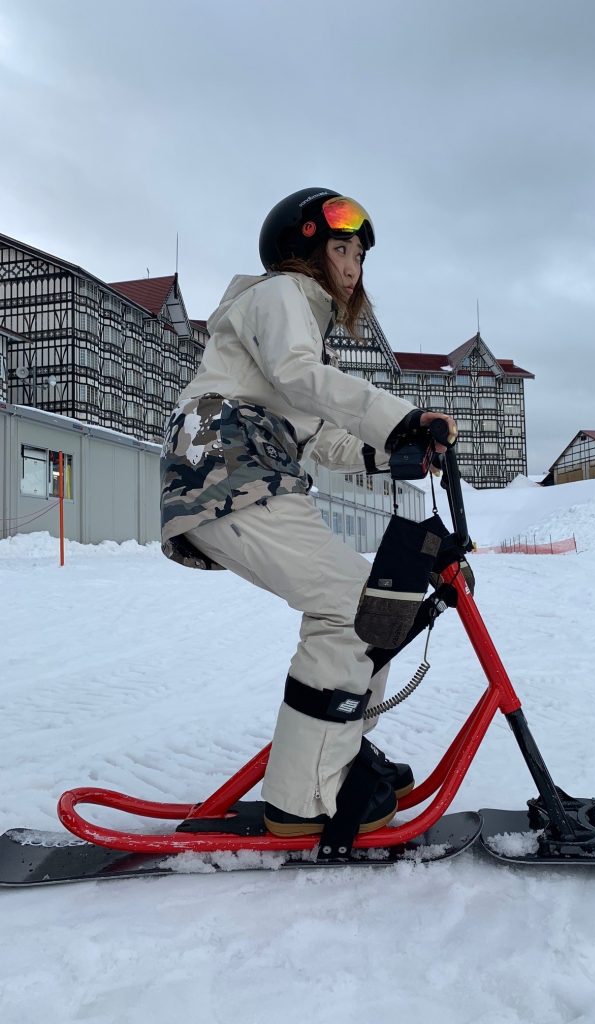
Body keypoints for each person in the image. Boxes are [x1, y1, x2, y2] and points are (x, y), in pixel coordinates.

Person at [160, 187, 457, 840]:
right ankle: (304, 798)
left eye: (360, 255)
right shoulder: (279, 296)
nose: (353, 266)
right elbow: (300, 377)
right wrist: (399, 418)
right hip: (226, 458)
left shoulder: (293, 333)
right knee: (354, 606)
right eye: (341, 248)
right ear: (301, 251)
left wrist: (395, 455)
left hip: (248, 466)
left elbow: (319, 435)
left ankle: (336, 749)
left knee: (375, 604)